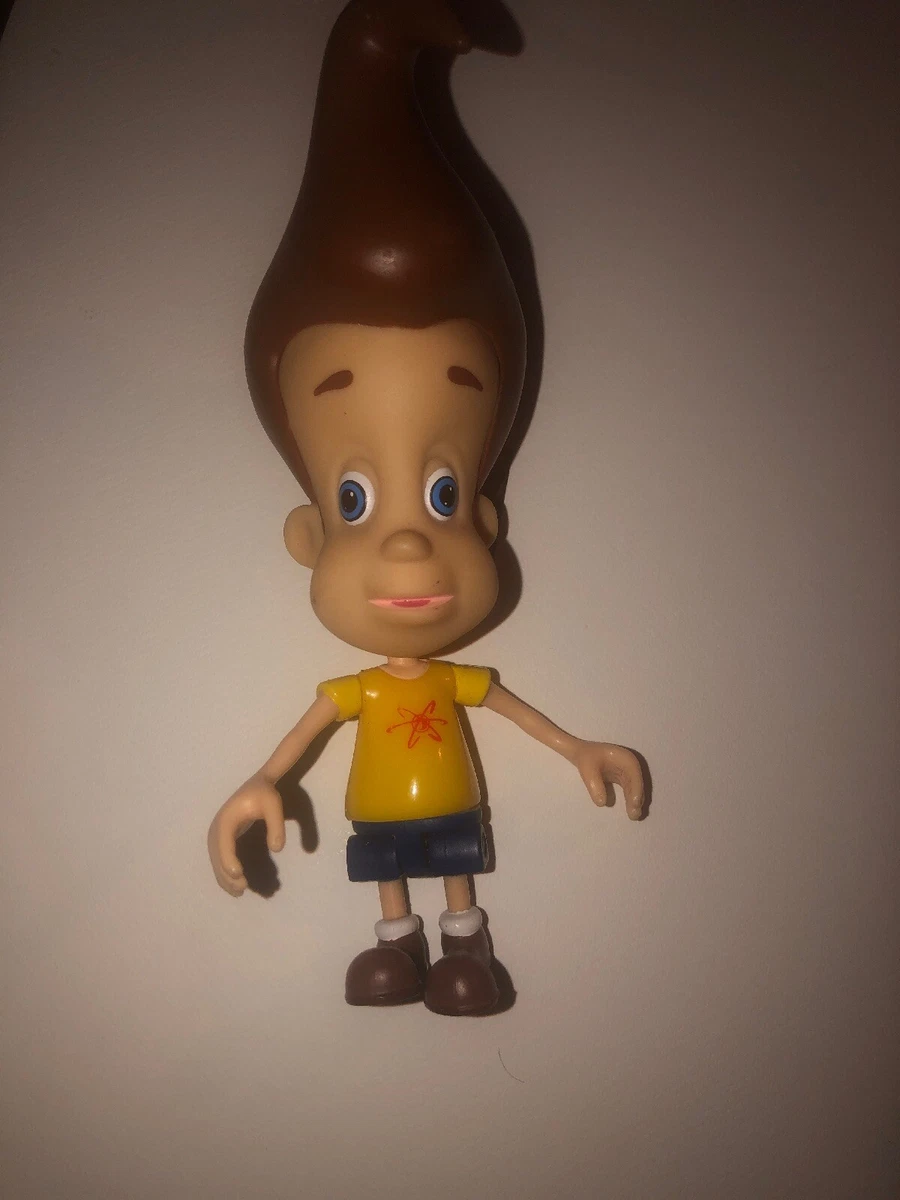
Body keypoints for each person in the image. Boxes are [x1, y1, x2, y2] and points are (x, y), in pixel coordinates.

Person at [207, 0, 644, 1016]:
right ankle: (396, 951)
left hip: (447, 815)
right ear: (309, 536)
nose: (408, 540)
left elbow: (516, 714)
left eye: (444, 493)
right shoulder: (355, 689)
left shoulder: (452, 679)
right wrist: (260, 781)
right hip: (381, 816)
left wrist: (579, 748)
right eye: (355, 499)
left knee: (452, 872)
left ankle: (463, 950)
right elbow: (300, 742)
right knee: (389, 879)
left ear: (483, 523)